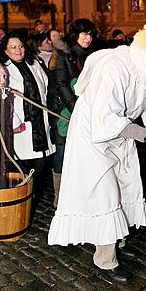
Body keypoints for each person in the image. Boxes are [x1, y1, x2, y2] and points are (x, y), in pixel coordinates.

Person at [48, 17, 146, 284]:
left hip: (121, 136)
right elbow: (105, 118)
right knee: (106, 196)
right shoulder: (115, 67)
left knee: (127, 187)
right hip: (93, 140)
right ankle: (105, 260)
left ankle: (118, 243)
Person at [47, 19, 101, 208]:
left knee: (81, 152)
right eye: (85, 34)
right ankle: (59, 195)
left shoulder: (89, 55)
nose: (88, 38)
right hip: (65, 110)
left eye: (91, 34)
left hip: (83, 110)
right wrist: (77, 108)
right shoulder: (63, 55)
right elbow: (61, 85)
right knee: (62, 151)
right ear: (75, 35)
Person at [0, 32, 55, 201]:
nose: (18, 50)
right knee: (23, 164)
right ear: (6, 50)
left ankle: (33, 194)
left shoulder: (34, 62)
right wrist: (13, 121)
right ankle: (26, 198)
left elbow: (46, 87)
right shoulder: (2, 68)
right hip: (20, 125)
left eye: (20, 46)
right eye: (13, 47)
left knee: (42, 164)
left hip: (40, 123)